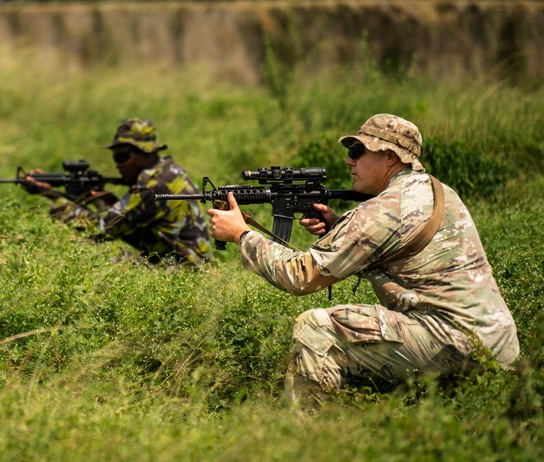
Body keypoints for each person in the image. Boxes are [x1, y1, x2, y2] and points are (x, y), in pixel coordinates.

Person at [207, 113, 519, 407]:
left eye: (359, 151)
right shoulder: (439, 191)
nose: (349, 160)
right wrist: (339, 226)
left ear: (390, 157)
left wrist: (241, 235)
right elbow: (396, 244)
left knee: (315, 328)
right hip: (497, 340)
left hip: (454, 340)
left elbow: (299, 276)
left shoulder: (381, 211)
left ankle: (309, 436)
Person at [24, 118, 213, 268]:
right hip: (193, 265)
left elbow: (101, 231)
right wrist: (101, 199)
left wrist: (55, 198)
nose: (118, 164)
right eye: (115, 157)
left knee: (108, 267)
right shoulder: (170, 172)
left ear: (145, 153)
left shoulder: (151, 185)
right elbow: (132, 225)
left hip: (184, 271)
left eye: (123, 157)